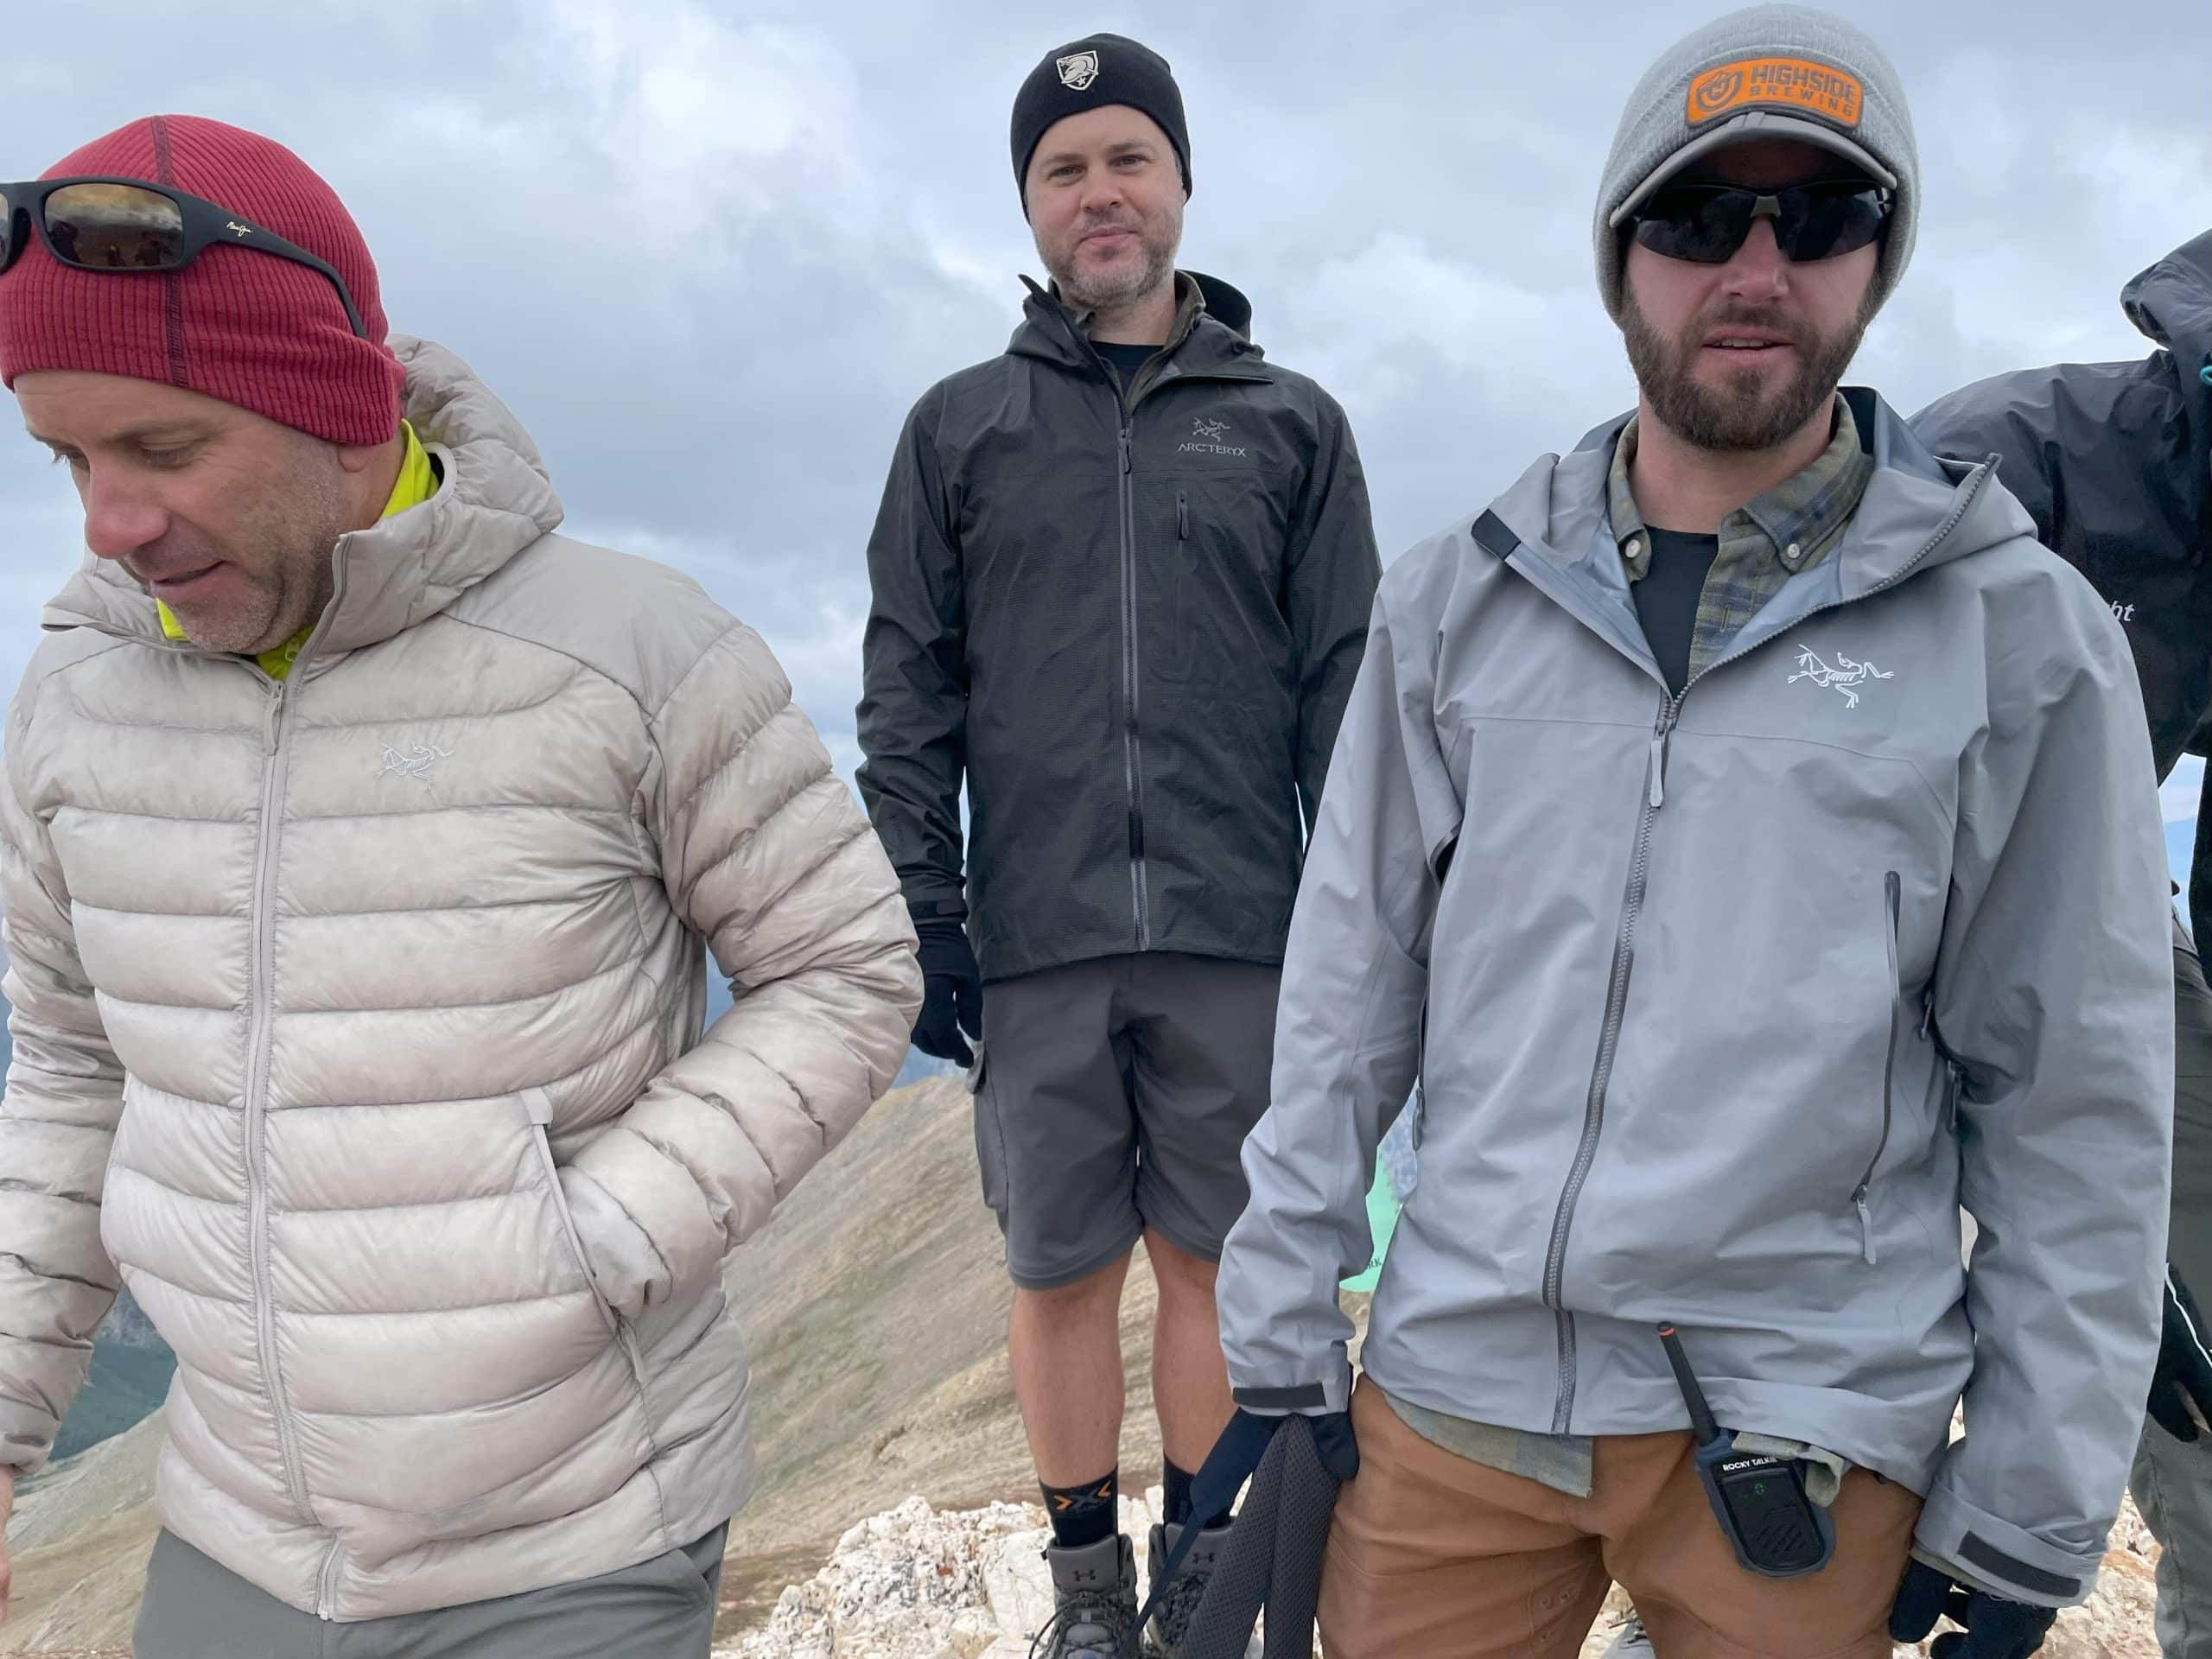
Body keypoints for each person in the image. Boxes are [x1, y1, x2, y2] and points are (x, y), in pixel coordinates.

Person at [1213, 8, 2175, 1658]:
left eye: (1818, 218)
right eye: (1695, 215)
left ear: (1877, 261)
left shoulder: (2019, 638)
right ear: (1618, 251)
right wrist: (1281, 1324)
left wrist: (2026, 1504)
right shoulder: (1459, 603)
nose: (1754, 264)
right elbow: (1347, 989)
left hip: (1804, 1433)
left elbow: (2075, 1094)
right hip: (1458, 1400)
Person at [0, 116, 921, 1656]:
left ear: (344, 414)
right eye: (66, 457)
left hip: (573, 1541)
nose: (110, 524)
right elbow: (77, 1069)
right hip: (226, 1539)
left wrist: (586, 1243)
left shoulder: (632, 649)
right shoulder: (77, 696)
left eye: (164, 449)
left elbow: (847, 967)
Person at [855, 32, 1380, 1658]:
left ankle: (1204, 1578)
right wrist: (923, 913)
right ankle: (1088, 1596)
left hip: (1242, 926)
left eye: (1125, 158)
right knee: (1061, 1273)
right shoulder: (959, 429)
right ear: (1029, 208)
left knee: (1219, 1263)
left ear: (1180, 180)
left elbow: (1346, 697)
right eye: (1064, 169)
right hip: (1035, 932)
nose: (1100, 192)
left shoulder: (1293, 426)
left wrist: (1364, 927)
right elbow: (905, 689)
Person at [1914, 231, 2212, 1659]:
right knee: (1841, 1304)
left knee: (2199, 1331)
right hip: (1879, 907)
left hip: (2105, 912)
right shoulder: (2006, 455)